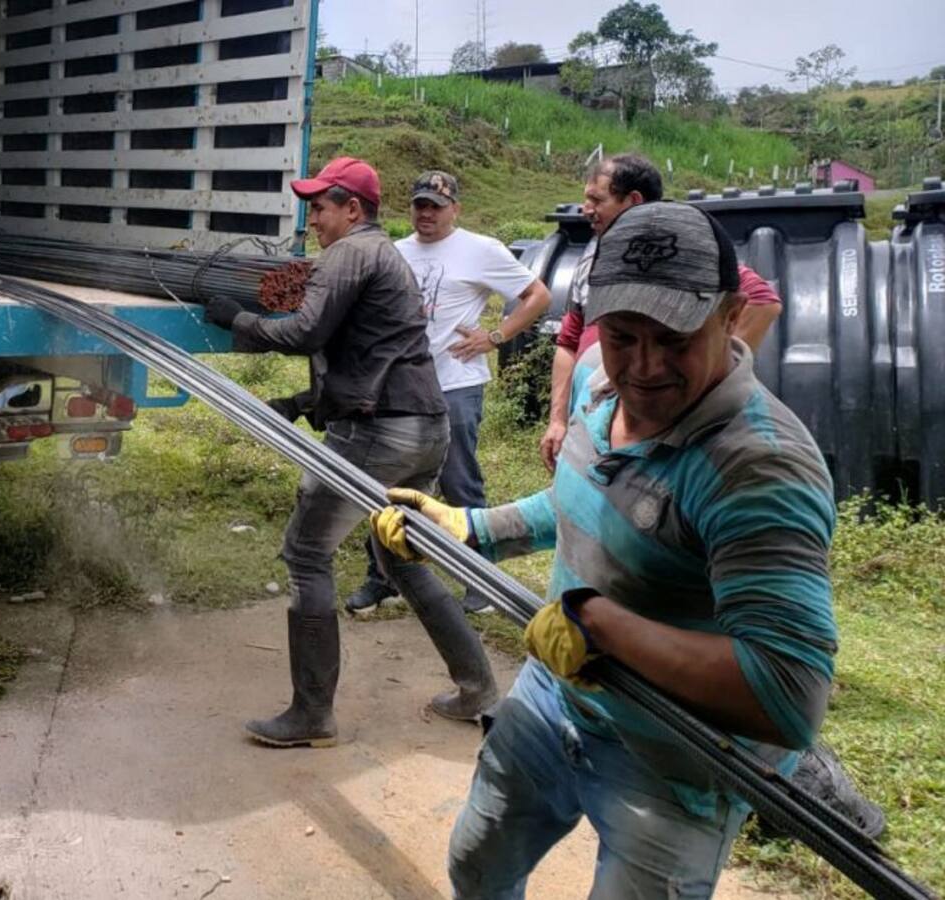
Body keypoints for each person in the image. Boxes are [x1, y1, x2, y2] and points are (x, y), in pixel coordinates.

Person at [371, 202, 838, 898]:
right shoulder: (597, 374)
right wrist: (468, 529)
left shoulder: (758, 471)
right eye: (623, 335)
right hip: (555, 697)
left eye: (674, 338)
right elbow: (580, 494)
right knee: (477, 862)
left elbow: (788, 695)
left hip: (674, 757)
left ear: (731, 315)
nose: (643, 368)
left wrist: (600, 629)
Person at [203, 156, 493, 747]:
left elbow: (305, 332)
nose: (312, 219)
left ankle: (312, 714)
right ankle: (479, 689)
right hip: (425, 428)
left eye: (320, 207)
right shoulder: (385, 255)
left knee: (307, 553)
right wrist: (301, 403)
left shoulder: (349, 253)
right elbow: (363, 353)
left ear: (352, 209)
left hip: (379, 434)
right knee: (401, 558)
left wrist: (239, 322)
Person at [345, 170, 553, 616]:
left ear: (455, 209)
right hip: (398, 391)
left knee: (459, 481)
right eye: (420, 205)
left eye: (436, 207)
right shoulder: (395, 251)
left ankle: (480, 582)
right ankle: (383, 577)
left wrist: (494, 337)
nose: (426, 214)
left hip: (455, 384)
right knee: (387, 484)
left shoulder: (480, 250)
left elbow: (537, 295)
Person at [539, 153, 783, 470]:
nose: (586, 210)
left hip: (644, 427)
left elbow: (763, 302)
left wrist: (710, 379)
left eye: (596, 200)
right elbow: (569, 341)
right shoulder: (592, 256)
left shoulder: (675, 254)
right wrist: (557, 419)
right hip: (591, 418)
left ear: (632, 200)